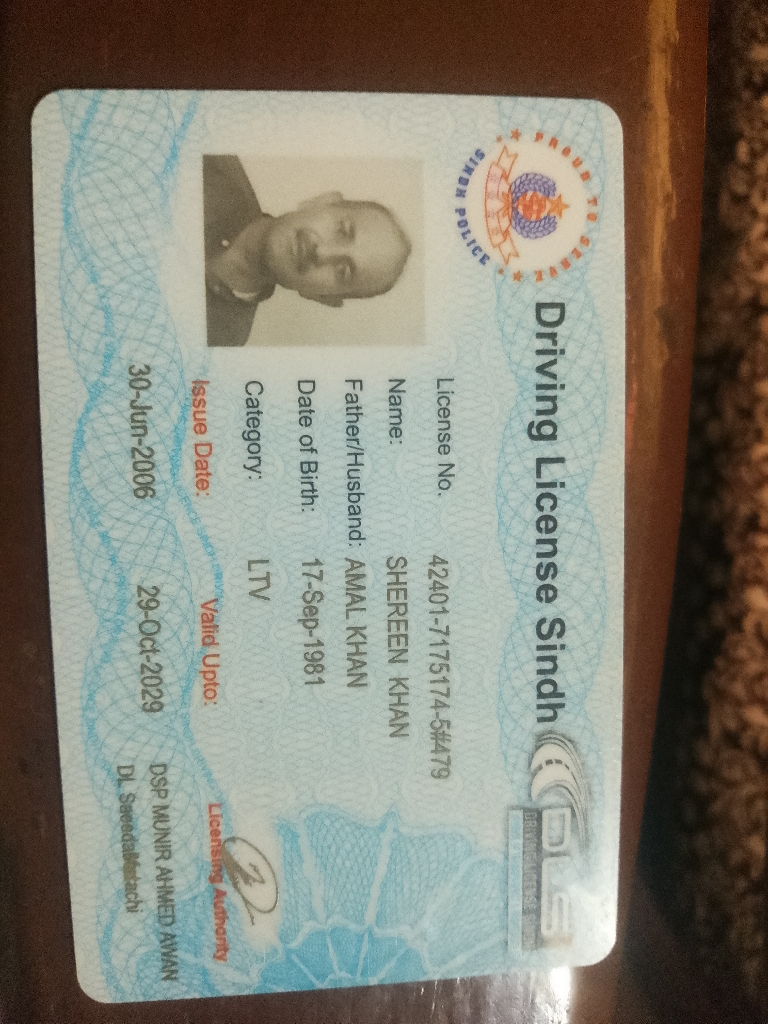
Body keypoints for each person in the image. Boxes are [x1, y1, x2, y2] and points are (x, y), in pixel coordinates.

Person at [203, 155, 412, 347]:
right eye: (342, 230)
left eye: (342, 271)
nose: (321, 253)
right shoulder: (210, 165)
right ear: (320, 202)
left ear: (321, 297)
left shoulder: (223, 342)